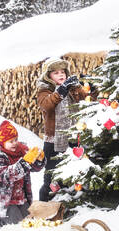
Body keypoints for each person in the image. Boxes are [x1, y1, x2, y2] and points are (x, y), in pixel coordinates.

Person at [37, 57, 89, 201]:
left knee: (75, 171)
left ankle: (71, 200)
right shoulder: (44, 90)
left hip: (73, 137)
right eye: (56, 73)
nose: (60, 75)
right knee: (51, 174)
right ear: (49, 76)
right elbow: (46, 105)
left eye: (62, 72)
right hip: (54, 141)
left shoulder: (73, 89)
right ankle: (45, 202)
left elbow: (88, 99)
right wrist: (61, 91)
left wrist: (89, 84)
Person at [0, 120, 46, 228]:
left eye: (16, 139)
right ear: (2, 143)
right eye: (11, 141)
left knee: (28, 222)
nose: (15, 143)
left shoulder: (21, 151)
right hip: (3, 201)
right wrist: (25, 162)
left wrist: (39, 160)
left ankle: (11, 215)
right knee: (16, 226)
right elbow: (7, 175)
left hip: (19, 197)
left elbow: (33, 167)